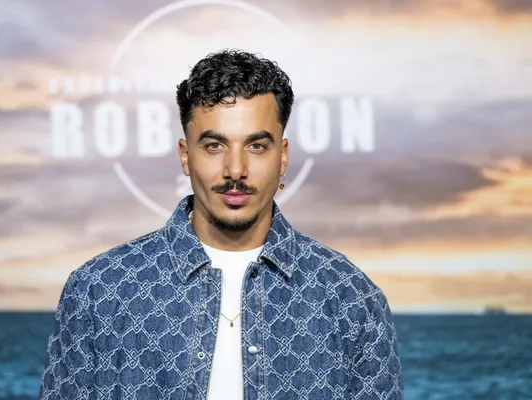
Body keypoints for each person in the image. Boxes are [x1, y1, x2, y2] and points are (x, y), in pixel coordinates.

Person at [39, 49, 403, 400]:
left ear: (283, 157)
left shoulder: (351, 299)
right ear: (186, 156)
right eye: (215, 146)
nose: (235, 170)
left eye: (256, 146)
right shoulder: (99, 291)